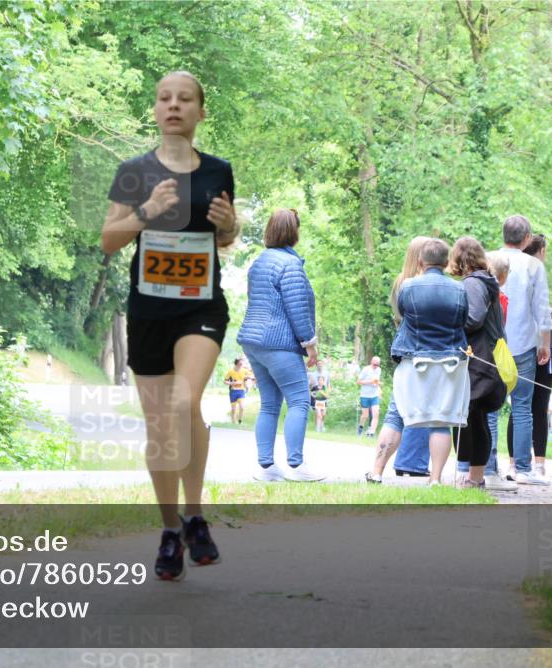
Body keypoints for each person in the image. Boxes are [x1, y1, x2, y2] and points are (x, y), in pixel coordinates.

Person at [101, 71, 238, 581]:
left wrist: (228, 225)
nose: (174, 106)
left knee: (184, 402)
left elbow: (224, 236)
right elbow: (109, 239)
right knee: (161, 427)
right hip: (149, 310)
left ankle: (196, 516)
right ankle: (168, 531)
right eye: (165, 99)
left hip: (201, 307)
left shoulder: (219, 169)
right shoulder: (133, 171)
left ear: (201, 112)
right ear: (155, 111)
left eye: (185, 99)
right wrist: (147, 212)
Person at [238, 208, 325, 483]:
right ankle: (296, 466)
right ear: (293, 231)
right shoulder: (290, 265)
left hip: (253, 342)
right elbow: (297, 309)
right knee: (299, 400)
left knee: (269, 404)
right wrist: (310, 345)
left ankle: (266, 468)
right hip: (279, 343)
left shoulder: (259, 262)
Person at [389, 238, 469, 485]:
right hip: (449, 360)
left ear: (421, 261)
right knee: (442, 420)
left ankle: (377, 471)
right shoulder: (459, 289)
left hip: (415, 357)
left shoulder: (408, 287)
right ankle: (435, 478)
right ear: (446, 263)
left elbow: (404, 315)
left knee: (399, 414)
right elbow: (463, 318)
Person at [365, 235, 431, 484]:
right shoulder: (427, 285)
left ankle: (377, 470)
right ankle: (424, 470)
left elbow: (399, 317)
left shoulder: (400, 283)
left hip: (405, 351)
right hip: (427, 351)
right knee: (429, 411)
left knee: (396, 412)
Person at [455, 250, 517, 491]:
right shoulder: (489, 284)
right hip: (488, 357)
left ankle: (474, 475)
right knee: (477, 417)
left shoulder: (475, 283)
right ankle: (476, 475)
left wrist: (453, 325)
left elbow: (474, 319)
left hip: (480, 359)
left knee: (472, 416)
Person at [497, 216, 551, 485]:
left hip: (492, 344)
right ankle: (523, 469)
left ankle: (485, 466)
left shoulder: (488, 258)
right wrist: (546, 344)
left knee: (489, 406)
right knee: (522, 407)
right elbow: (542, 309)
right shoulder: (533, 265)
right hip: (523, 343)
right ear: (527, 237)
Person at [356, 356, 382, 436]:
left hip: (374, 395)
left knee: (376, 413)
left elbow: (377, 381)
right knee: (365, 415)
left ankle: (371, 432)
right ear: (371, 362)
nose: (375, 366)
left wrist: (379, 388)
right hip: (365, 395)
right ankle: (360, 428)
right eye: (374, 364)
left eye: (377, 365)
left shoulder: (379, 370)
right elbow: (358, 382)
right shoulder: (366, 369)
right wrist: (370, 382)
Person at [224, 358, 251, 424]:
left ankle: (240, 421)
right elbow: (225, 381)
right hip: (233, 392)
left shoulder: (244, 371)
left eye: (242, 363)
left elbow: (251, 375)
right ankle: (233, 423)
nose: (242, 365)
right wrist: (232, 383)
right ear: (236, 364)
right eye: (240, 363)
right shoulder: (231, 372)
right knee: (233, 409)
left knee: (242, 407)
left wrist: (247, 379)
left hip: (241, 391)